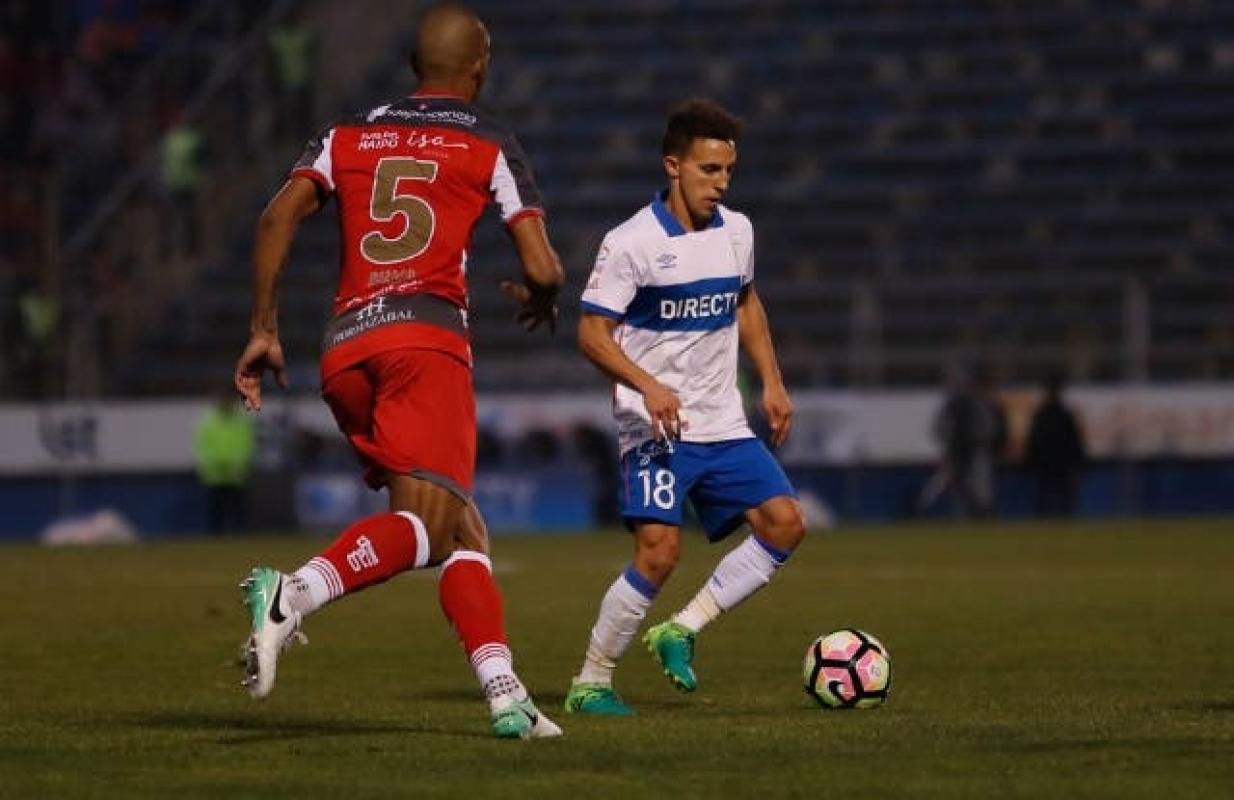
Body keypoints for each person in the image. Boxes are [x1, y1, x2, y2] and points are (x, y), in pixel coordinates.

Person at [232, 3, 564, 740]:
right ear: (480, 68)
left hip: (347, 350)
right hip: (425, 345)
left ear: (415, 66)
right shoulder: (488, 139)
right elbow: (543, 267)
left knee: (461, 530)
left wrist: (263, 329)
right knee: (428, 525)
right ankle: (293, 593)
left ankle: (505, 694)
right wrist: (544, 296)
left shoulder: (346, 131)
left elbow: (275, 219)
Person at [563, 99, 806, 715]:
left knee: (784, 524)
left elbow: (746, 303)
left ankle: (682, 628)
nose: (720, 183)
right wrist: (647, 385)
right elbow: (591, 334)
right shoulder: (631, 243)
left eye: (728, 171)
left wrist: (772, 381)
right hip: (655, 427)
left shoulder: (738, 231)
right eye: (708, 170)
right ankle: (591, 682)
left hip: (721, 419)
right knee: (659, 553)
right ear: (673, 165)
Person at [1023, 372, 1087, 516]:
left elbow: (1035, 441)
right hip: (1055, 463)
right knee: (1055, 498)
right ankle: (1057, 518)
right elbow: (1074, 442)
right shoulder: (1056, 414)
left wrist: (1029, 462)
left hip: (1053, 463)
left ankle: (1050, 518)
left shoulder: (1049, 414)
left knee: (1051, 498)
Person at [193, 391, 255, 533]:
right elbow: (203, 448)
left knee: (237, 513)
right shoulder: (208, 424)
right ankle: (216, 539)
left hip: (236, 476)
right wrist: (217, 464)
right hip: (214, 477)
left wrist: (234, 464)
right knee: (215, 514)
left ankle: (238, 537)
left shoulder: (241, 423)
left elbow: (247, 446)